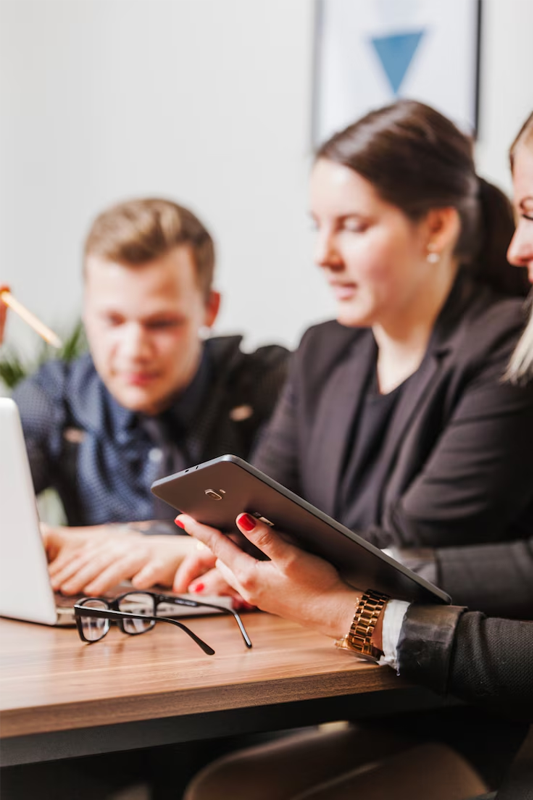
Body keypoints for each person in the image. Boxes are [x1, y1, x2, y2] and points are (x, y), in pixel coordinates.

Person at [177, 108, 533, 800]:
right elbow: (264, 509)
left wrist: (300, 574)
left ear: (435, 226)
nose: (322, 254)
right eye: (319, 226)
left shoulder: (506, 347)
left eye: (353, 226)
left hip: (473, 698)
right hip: (396, 679)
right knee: (219, 788)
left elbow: (415, 539)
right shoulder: (324, 349)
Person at [0, 197, 289, 596]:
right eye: (113, 320)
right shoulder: (53, 397)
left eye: (161, 323)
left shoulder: (267, 388)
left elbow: (310, 535)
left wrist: (134, 542)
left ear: (210, 308)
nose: (134, 348)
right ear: (86, 309)